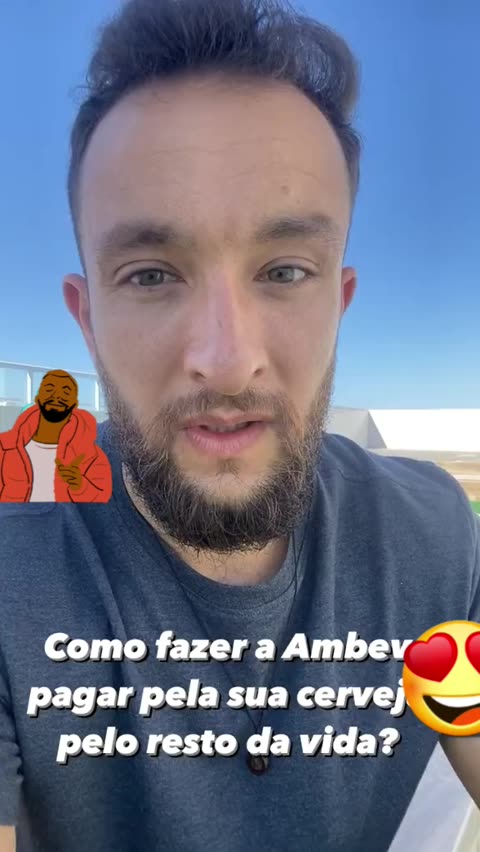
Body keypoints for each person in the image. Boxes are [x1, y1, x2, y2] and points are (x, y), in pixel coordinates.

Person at [0, 0, 479, 849]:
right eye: (151, 275)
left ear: (339, 303)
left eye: (285, 270)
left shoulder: (433, 537)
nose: (226, 361)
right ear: (87, 320)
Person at [0, 370, 112, 502]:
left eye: (65, 392)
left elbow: (103, 498)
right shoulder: (6, 448)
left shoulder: (92, 455)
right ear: (38, 399)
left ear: (74, 404)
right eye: (49, 390)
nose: (56, 397)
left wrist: (80, 486)